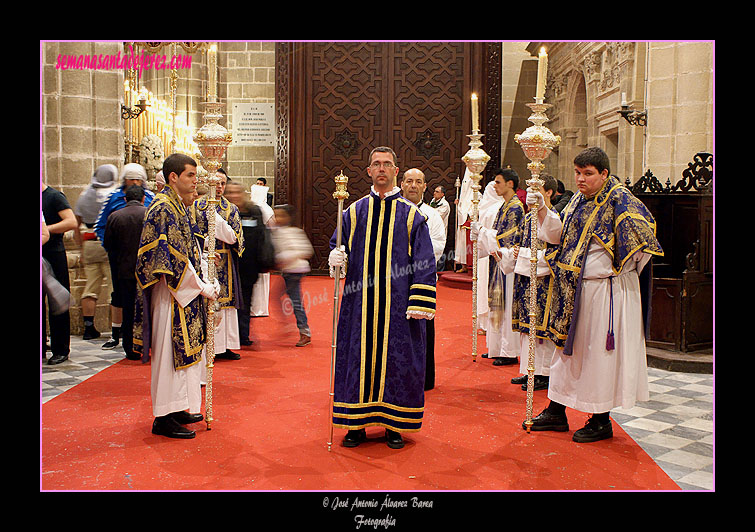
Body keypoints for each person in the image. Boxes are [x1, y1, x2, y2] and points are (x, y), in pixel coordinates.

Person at [525, 147, 663, 443]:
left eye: (588, 174)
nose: (580, 179)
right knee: (567, 352)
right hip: (574, 289)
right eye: (577, 173)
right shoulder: (577, 200)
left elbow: (643, 242)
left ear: (604, 173)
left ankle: (600, 419)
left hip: (605, 293)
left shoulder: (621, 199)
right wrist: (541, 210)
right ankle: (556, 411)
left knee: (598, 356)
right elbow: (558, 235)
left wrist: (612, 271)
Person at [328, 147, 437, 450]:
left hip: (398, 305)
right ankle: (355, 424)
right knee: (356, 360)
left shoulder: (412, 215)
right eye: (376, 164)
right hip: (359, 303)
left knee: (397, 362)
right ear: (368, 171)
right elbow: (339, 247)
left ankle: (394, 424)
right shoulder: (353, 211)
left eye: (387, 164)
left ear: (395, 171)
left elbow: (426, 262)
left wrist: (420, 301)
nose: (381, 169)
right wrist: (336, 257)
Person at [133, 153, 219, 439]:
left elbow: (188, 249)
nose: (197, 181)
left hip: (185, 293)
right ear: (173, 177)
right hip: (169, 294)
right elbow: (166, 259)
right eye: (191, 175)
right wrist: (200, 286)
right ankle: (163, 417)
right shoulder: (162, 208)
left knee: (185, 355)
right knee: (169, 358)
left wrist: (204, 279)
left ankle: (179, 406)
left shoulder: (179, 207)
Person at [500, 173, 559, 391]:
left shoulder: (554, 217)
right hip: (525, 278)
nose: (531, 196)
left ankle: (543, 373)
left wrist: (523, 255)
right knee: (528, 328)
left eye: (538, 191)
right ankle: (528, 370)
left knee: (541, 329)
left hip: (544, 281)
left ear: (549, 193)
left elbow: (553, 253)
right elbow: (520, 243)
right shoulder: (527, 218)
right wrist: (514, 252)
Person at [94, 163, 155, 350]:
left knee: (141, 301)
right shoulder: (113, 198)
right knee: (121, 297)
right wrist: (113, 251)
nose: (134, 182)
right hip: (124, 260)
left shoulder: (152, 199)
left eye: (138, 179)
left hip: (132, 260)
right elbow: (100, 226)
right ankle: (119, 336)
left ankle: (137, 341)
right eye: (131, 179)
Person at [470, 168, 524, 366]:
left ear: (510, 184)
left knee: (506, 305)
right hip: (498, 262)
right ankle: (495, 347)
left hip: (508, 263)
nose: (495, 185)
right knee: (497, 305)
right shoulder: (505, 206)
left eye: (498, 182)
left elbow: (507, 238)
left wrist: (482, 231)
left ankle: (508, 351)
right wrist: (483, 234)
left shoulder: (516, 208)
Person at [191, 168, 244, 362]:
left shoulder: (231, 209)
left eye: (222, 184)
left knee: (226, 305)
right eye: (216, 183)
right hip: (204, 258)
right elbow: (191, 233)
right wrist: (205, 243)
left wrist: (219, 223)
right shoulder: (196, 206)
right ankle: (208, 347)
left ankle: (225, 346)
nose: (219, 187)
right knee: (208, 302)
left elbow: (237, 238)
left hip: (225, 261)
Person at [400, 168, 446, 390]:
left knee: (423, 330)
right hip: (395, 282)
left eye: (418, 182)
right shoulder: (393, 210)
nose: (413, 186)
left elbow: (437, 246)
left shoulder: (433, 215)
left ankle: (424, 378)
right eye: (409, 181)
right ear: (401, 184)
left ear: (425, 186)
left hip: (422, 279)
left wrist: (409, 252)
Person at [73, 164, 119, 340]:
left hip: (89, 242)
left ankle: (89, 327)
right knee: (114, 288)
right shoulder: (113, 195)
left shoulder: (84, 195)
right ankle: (117, 328)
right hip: (108, 243)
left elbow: (76, 224)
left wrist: (80, 248)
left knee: (90, 287)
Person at [102, 184, 147, 361]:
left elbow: (108, 244)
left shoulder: (115, 217)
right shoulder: (149, 214)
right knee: (147, 309)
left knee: (128, 310)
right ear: (143, 199)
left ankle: (129, 347)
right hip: (146, 272)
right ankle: (146, 344)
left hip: (124, 271)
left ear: (125, 199)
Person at [224, 182, 265, 346]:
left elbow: (261, 237)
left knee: (245, 301)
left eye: (236, 192)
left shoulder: (253, 211)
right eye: (230, 192)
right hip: (230, 265)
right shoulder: (224, 213)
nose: (234, 196)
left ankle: (243, 334)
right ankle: (229, 337)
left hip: (249, 266)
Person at [42, 181, 78, 364]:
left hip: (54, 253)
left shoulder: (54, 196)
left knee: (57, 302)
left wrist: (45, 229)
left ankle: (61, 348)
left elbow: (71, 221)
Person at [271, 204, 314, 347]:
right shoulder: (277, 232)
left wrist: (284, 257)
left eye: (281, 215)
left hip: (295, 271)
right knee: (277, 296)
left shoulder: (294, 232)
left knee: (296, 302)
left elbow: (306, 250)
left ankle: (304, 331)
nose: (278, 218)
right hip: (288, 271)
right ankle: (289, 324)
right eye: (275, 215)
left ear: (288, 217)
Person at [470, 178, 503, 346]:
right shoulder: (495, 208)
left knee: (486, 287)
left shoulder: (490, 209)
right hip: (488, 251)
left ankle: (485, 323)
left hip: (488, 252)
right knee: (484, 287)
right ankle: (485, 323)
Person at [453, 168, 474, 273]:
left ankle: (470, 265)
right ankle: (463, 265)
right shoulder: (463, 195)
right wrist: (459, 205)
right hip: (462, 223)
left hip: (468, 222)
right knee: (461, 245)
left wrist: (468, 214)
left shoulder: (476, 193)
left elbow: (476, 207)